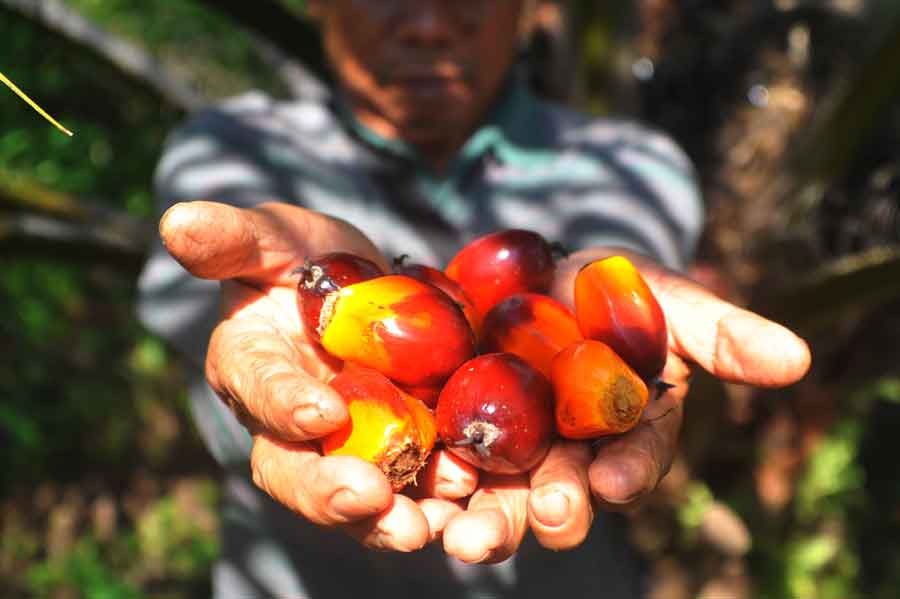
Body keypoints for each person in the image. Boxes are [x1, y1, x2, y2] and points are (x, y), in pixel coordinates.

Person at [137, 2, 811, 598]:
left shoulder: (629, 162)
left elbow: (609, 266)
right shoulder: (233, 149)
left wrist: (606, 302)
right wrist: (253, 382)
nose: (429, 23)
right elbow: (214, 350)